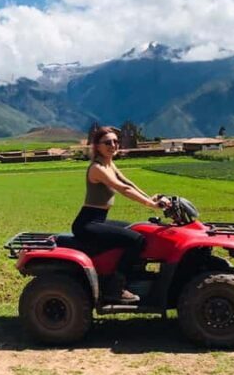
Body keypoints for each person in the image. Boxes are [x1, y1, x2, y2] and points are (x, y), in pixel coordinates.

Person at [71, 126, 170, 304]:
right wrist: (151, 204)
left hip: (99, 219)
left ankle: (134, 275)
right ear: (97, 146)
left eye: (116, 141)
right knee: (136, 240)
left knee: (139, 230)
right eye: (107, 142)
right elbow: (123, 189)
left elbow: (128, 182)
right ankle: (116, 287)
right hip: (87, 224)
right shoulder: (97, 168)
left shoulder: (109, 164)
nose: (113, 145)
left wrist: (150, 197)